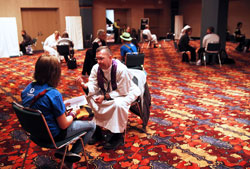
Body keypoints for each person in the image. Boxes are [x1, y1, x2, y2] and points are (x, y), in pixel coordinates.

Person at [21, 55, 96, 167]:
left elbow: (41, 108)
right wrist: (73, 113)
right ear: (55, 73)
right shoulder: (53, 94)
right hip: (53, 136)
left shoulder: (27, 88)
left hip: (35, 134)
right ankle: (71, 156)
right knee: (92, 125)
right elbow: (64, 125)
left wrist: (61, 105)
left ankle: (64, 152)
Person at [76, 46, 141, 150]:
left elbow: (123, 90)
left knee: (118, 105)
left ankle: (117, 135)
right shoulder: (96, 68)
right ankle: (97, 131)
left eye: (101, 58)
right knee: (90, 97)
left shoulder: (121, 69)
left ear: (110, 57)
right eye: (97, 59)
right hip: (107, 91)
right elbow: (93, 85)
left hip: (126, 91)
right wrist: (85, 86)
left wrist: (105, 96)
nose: (99, 61)